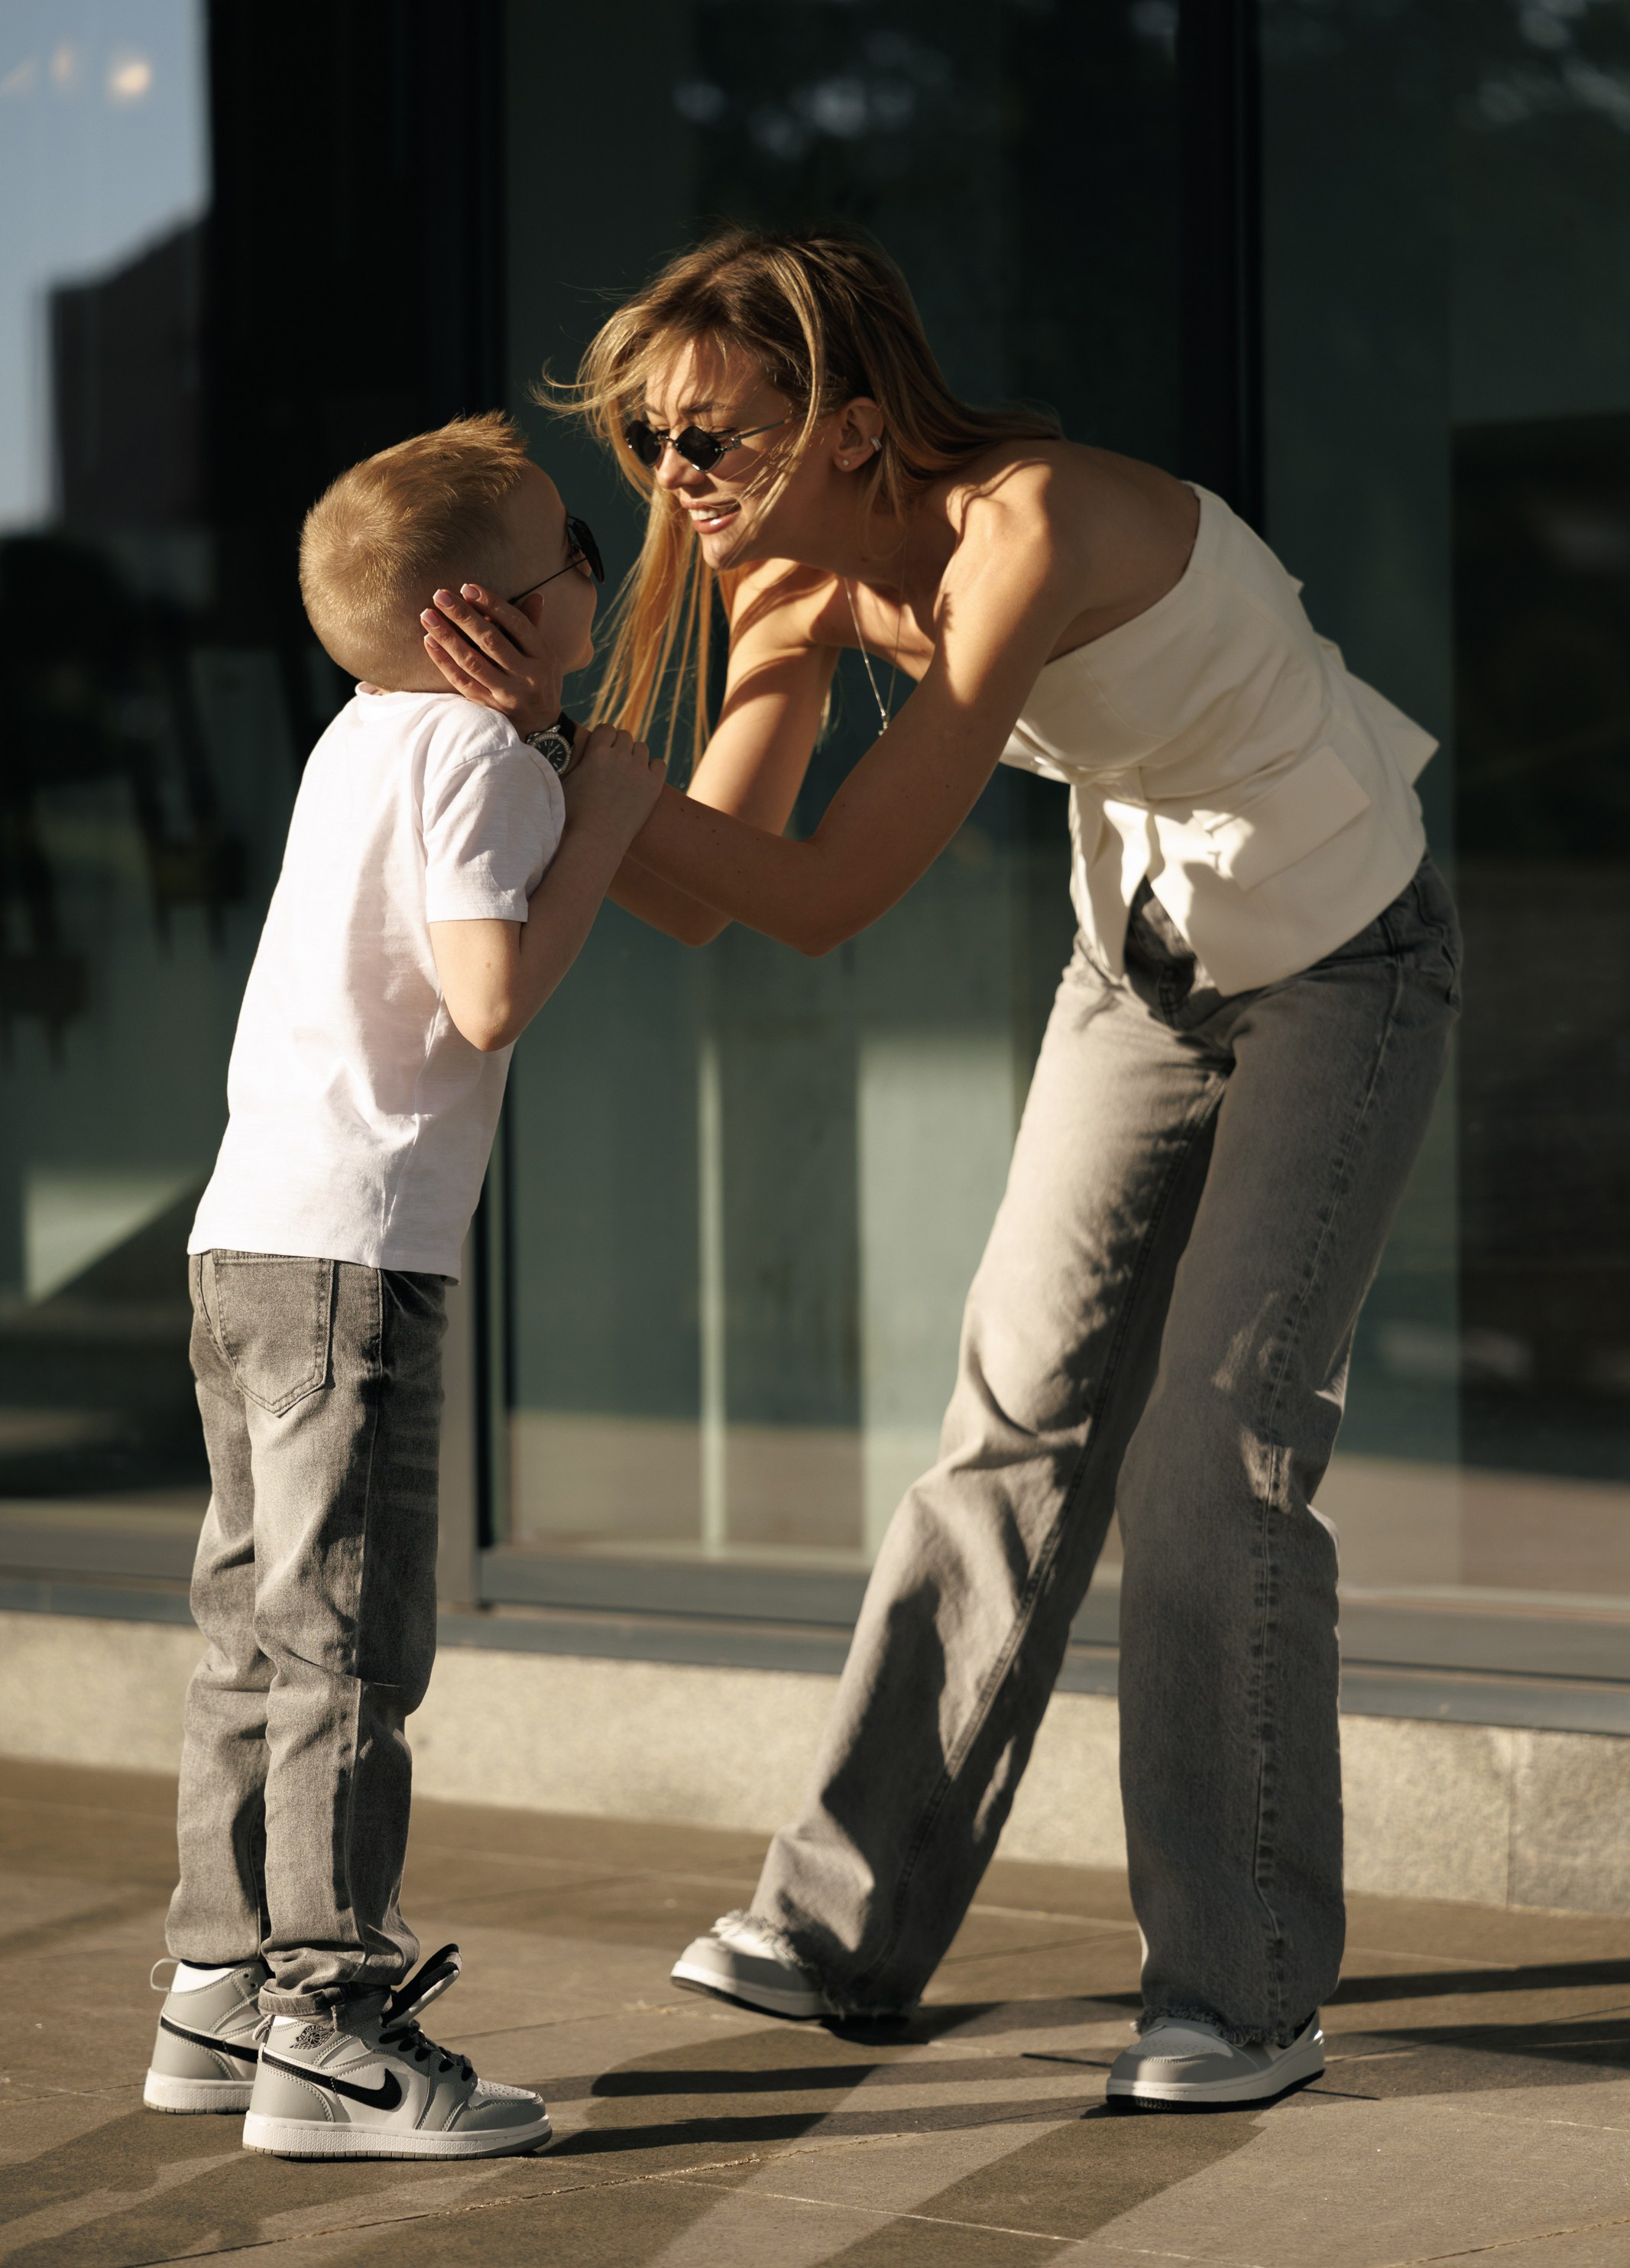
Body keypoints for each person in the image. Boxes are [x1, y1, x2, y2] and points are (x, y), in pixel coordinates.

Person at [422, 229, 1461, 2112]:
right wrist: (543, 744)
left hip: (1344, 953)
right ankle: (839, 1930)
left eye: (711, 438)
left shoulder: (1028, 525)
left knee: (1206, 1450)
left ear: (850, 422)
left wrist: (598, 768)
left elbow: (822, 902)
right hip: (1139, 967)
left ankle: (1242, 1993)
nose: (675, 483)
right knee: (1009, 1422)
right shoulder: (791, 591)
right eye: (654, 445)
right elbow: (702, 886)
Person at [144, 414, 664, 2159]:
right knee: (350, 1648)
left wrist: (553, 754)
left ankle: (215, 1991)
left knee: (256, 1628)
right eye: (573, 544)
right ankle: (333, 2034)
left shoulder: (369, 733)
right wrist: (603, 808)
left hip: (247, 1234)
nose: (595, 562)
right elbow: (488, 994)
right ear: (484, 609)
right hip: (357, 1255)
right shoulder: (489, 761)